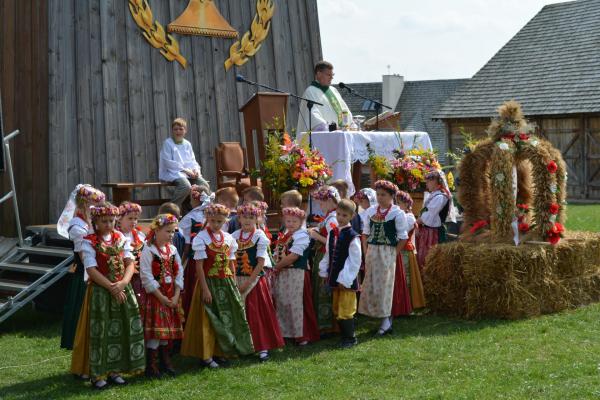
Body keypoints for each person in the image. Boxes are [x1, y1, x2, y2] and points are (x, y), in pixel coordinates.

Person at [78, 203, 145, 389]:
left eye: (111, 220)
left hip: (123, 289)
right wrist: (111, 287)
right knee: (102, 331)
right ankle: (98, 374)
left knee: (122, 328)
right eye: (104, 221)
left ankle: (116, 370)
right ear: (96, 222)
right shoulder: (89, 241)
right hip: (101, 292)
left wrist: (123, 283)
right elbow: (91, 269)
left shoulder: (120, 238)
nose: (108, 224)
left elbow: (130, 263)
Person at [181, 204, 254, 368]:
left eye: (220, 222)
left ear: (225, 221)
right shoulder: (201, 238)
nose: (216, 224)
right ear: (208, 219)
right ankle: (206, 355)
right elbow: (199, 266)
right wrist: (205, 289)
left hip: (226, 282)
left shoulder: (228, 238)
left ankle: (222, 351)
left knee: (225, 317)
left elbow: (231, 263)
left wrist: (234, 282)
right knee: (208, 319)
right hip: (209, 282)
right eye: (213, 221)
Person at [57, 185, 105, 354]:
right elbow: (85, 257)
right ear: (85, 205)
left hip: (98, 271)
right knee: (82, 315)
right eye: (96, 206)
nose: (99, 209)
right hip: (84, 274)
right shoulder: (78, 227)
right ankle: (82, 356)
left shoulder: (90, 223)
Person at [232, 204, 284, 362]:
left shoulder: (260, 236)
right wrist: (234, 281)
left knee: (257, 314)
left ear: (257, 219)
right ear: (239, 218)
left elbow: (261, 262)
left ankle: (263, 347)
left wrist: (247, 283)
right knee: (241, 315)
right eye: (244, 217)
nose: (247, 220)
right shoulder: (233, 236)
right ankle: (244, 346)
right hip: (237, 279)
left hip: (254, 280)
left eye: (251, 217)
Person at [358, 180, 408, 336]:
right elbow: (365, 233)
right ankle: (374, 314)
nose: (380, 198)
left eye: (383, 195)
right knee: (371, 283)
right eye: (378, 194)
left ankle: (386, 320)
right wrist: (366, 251)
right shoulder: (371, 211)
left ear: (392, 196)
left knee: (385, 286)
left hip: (387, 251)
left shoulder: (397, 213)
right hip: (372, 250)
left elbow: (403, 237)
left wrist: (394, 253)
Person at [140, 214, 184, 378]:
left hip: (171, 295)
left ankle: (165, 361)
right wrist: (161, 297)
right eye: (168, 231)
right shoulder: (148, 250)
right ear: (156, 230)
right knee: (156, 333)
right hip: (156, 296)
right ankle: (151, 365)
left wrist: (176, 294)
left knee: (167, 332)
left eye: (173, 232)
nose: (171, 235)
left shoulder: (172, 249)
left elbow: (179, 272)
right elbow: (146, 276)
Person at [272, 207, 320, 346]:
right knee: (283, 301)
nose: (291, 223)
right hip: (284, 273)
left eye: (294, 221)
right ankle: (286, 333)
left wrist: (276, 267)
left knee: (296, 303)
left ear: (301, 222)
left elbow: (293, 256)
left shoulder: (302, 236)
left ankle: (302, 335)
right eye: (288, 221)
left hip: (297, 274)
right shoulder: (286, 234)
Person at [318, 199, 361, 348]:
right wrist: (324, 273)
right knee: (337, 307)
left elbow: (355, 260)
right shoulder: (333, 233)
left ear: (351, 216)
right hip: (335, 278)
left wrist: (346, 278)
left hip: (346, 280)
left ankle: (350, 338)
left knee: (346, 308)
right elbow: (328, 255)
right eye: (338, 214)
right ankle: (343, 335)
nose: (340, 218)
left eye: (344, 215)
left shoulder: (352, 236)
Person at [308, 186, 339, 332]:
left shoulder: (333, 217)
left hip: (327, 256)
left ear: (329, 200)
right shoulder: (329, 215)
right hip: (321, 254)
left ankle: (326, 325)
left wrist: (315, 235)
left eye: (321, 202)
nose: (320, 206)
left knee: (323, 289)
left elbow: (333, 241)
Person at [159, 118, 209, 208]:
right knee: (185, 186)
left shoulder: (187, 144)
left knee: (204, 185)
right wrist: (185, 170)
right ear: (172, 131)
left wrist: (196, 170)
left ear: (185, 130)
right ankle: (170, 211)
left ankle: (202, 210)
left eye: (181, 129)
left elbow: (192, 160)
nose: (178, 131)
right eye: (175, 129)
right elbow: (168, 163)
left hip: (188, 173)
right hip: (173, 172)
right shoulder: (168, 143)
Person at [179, 184, 212, 319]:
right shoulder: (213, 213)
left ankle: (193, 319)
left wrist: (182, 262)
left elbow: (186, 245)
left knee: (193, 288)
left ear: (195, 199)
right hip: (211, 259)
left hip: (195, 260)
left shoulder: (190, 218)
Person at [297, 61, 353, 133]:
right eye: (328, 75)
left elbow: (345, 110)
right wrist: (331, 129)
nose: (331, 78)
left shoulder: (333, 90)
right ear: (319, 74)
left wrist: (350, 124)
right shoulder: (310, 92)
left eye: (332, 75)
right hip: (326, 136)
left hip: (341, 133)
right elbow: (313, 116)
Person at [396, 191, 426, 310]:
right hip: (398, 250)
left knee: (406, 276)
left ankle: (408, 303)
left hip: (405, 250)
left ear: (407, 204)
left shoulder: (409, 217)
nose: (396, 205)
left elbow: (402, 232)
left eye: (399, 203)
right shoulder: (399, 215)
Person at [416, 171, 450, 270]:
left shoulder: (440, 197)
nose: (426, 183)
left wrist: (417, 221)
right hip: (427, 231)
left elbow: (429, 216)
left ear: (436, 182)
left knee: (431, 259)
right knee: (423, 258)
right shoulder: (434, 195)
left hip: (433, 233)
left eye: (429, 181)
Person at [117, 202, 146, 315]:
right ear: (119, 219)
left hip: (138, 277)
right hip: (122, 276)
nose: (133, 221)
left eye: (135, 218)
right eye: (130, 218)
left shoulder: (139, 235)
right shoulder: (117, 236)